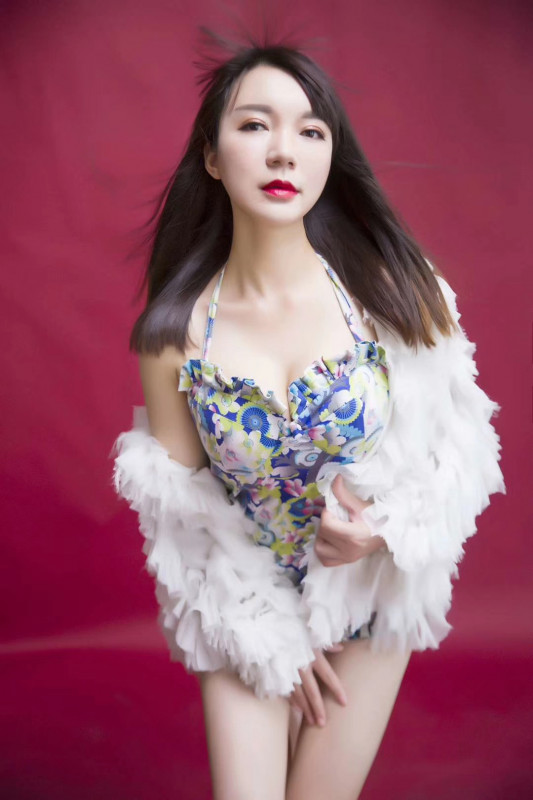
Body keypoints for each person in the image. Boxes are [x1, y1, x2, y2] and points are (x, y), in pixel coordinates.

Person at [110, 34, 505, 800]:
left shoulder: (396, 294)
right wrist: (269, 635)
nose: (282, 151)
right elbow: (182, 520)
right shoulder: (175, 334)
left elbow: (465, 452)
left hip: (365, 597)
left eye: (310, 131)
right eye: (254, 125)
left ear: (329, 157)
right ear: (212, 156)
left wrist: (380, 531)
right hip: (242, 607)